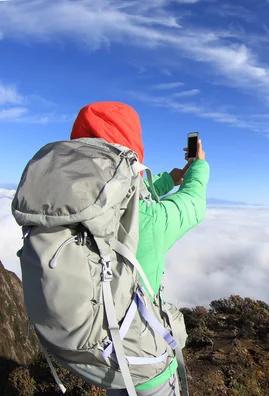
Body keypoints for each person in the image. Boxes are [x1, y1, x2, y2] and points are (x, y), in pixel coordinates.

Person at [69, 101, 210, 395]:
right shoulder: (146, 222)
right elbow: (193, 205)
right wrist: (198, 165)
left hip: (102, 357)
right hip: (146, 361)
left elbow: (122, 192)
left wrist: (170, 179)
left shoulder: (66, 212)